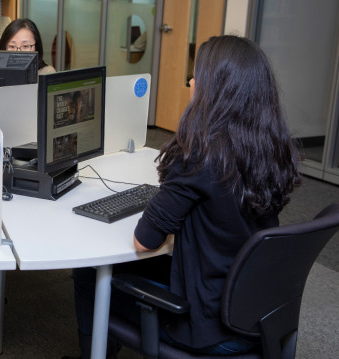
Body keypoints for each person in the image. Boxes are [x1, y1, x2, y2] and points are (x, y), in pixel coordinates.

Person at [69, 35, 302, 358]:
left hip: (208, 324)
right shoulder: (271, 148)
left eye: (197, 76)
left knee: (90, 274)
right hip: (258, 311)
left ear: (215, 91)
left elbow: (144, 241)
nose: (191, 81)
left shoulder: (201, 155)